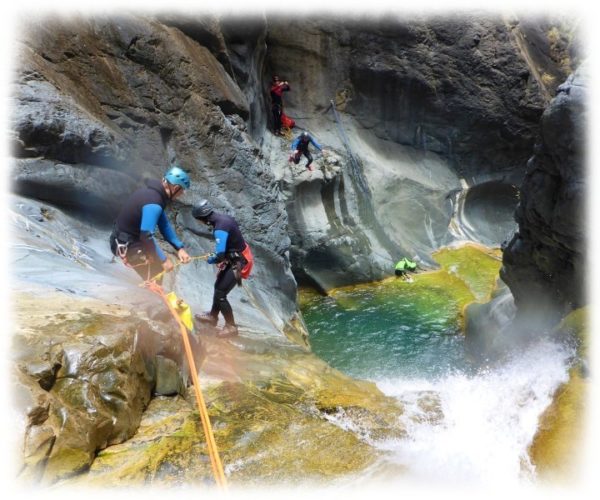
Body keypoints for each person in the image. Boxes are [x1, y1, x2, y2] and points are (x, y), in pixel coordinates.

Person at [110, 166, 192, 281]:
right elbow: (146, 236)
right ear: (176, 188)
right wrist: (163, 260)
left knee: (156, 266)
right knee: (156, 272)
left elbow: (164, 225)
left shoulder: (152, 194)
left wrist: (179, 248)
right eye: (182, 190)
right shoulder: (154, 202)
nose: (182, 194)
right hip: (126, 245)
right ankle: (150, 297)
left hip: (125, 239)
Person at [192, 199, 254, 338]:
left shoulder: (220, 227)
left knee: (221, 294)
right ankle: (213, 316)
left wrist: (212, 259)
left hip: (238, 262)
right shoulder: (223, 218)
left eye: (198, 219)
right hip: (236, 258)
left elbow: (220, 253)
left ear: (202, 218)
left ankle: (231, 326)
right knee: (218, 287)